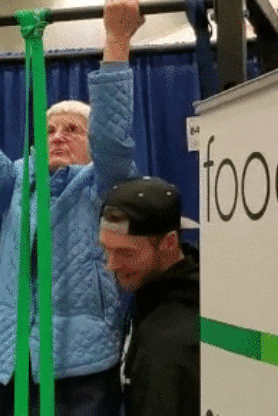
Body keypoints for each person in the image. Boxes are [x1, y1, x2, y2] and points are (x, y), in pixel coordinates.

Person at [0, 0, 144, 415]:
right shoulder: (15, 182)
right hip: (6, 359)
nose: (58, 136)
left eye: (72, 129)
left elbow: (113, 140)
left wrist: (117, 41)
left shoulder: (104, 186)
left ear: (90, 142)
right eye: (49, 130)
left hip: (77, 366)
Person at [98, 176, 200, 416]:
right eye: (106, 250)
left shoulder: (170, 347)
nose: (111, 265)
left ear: (169, 243)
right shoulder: (150, 294)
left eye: (125, 252)